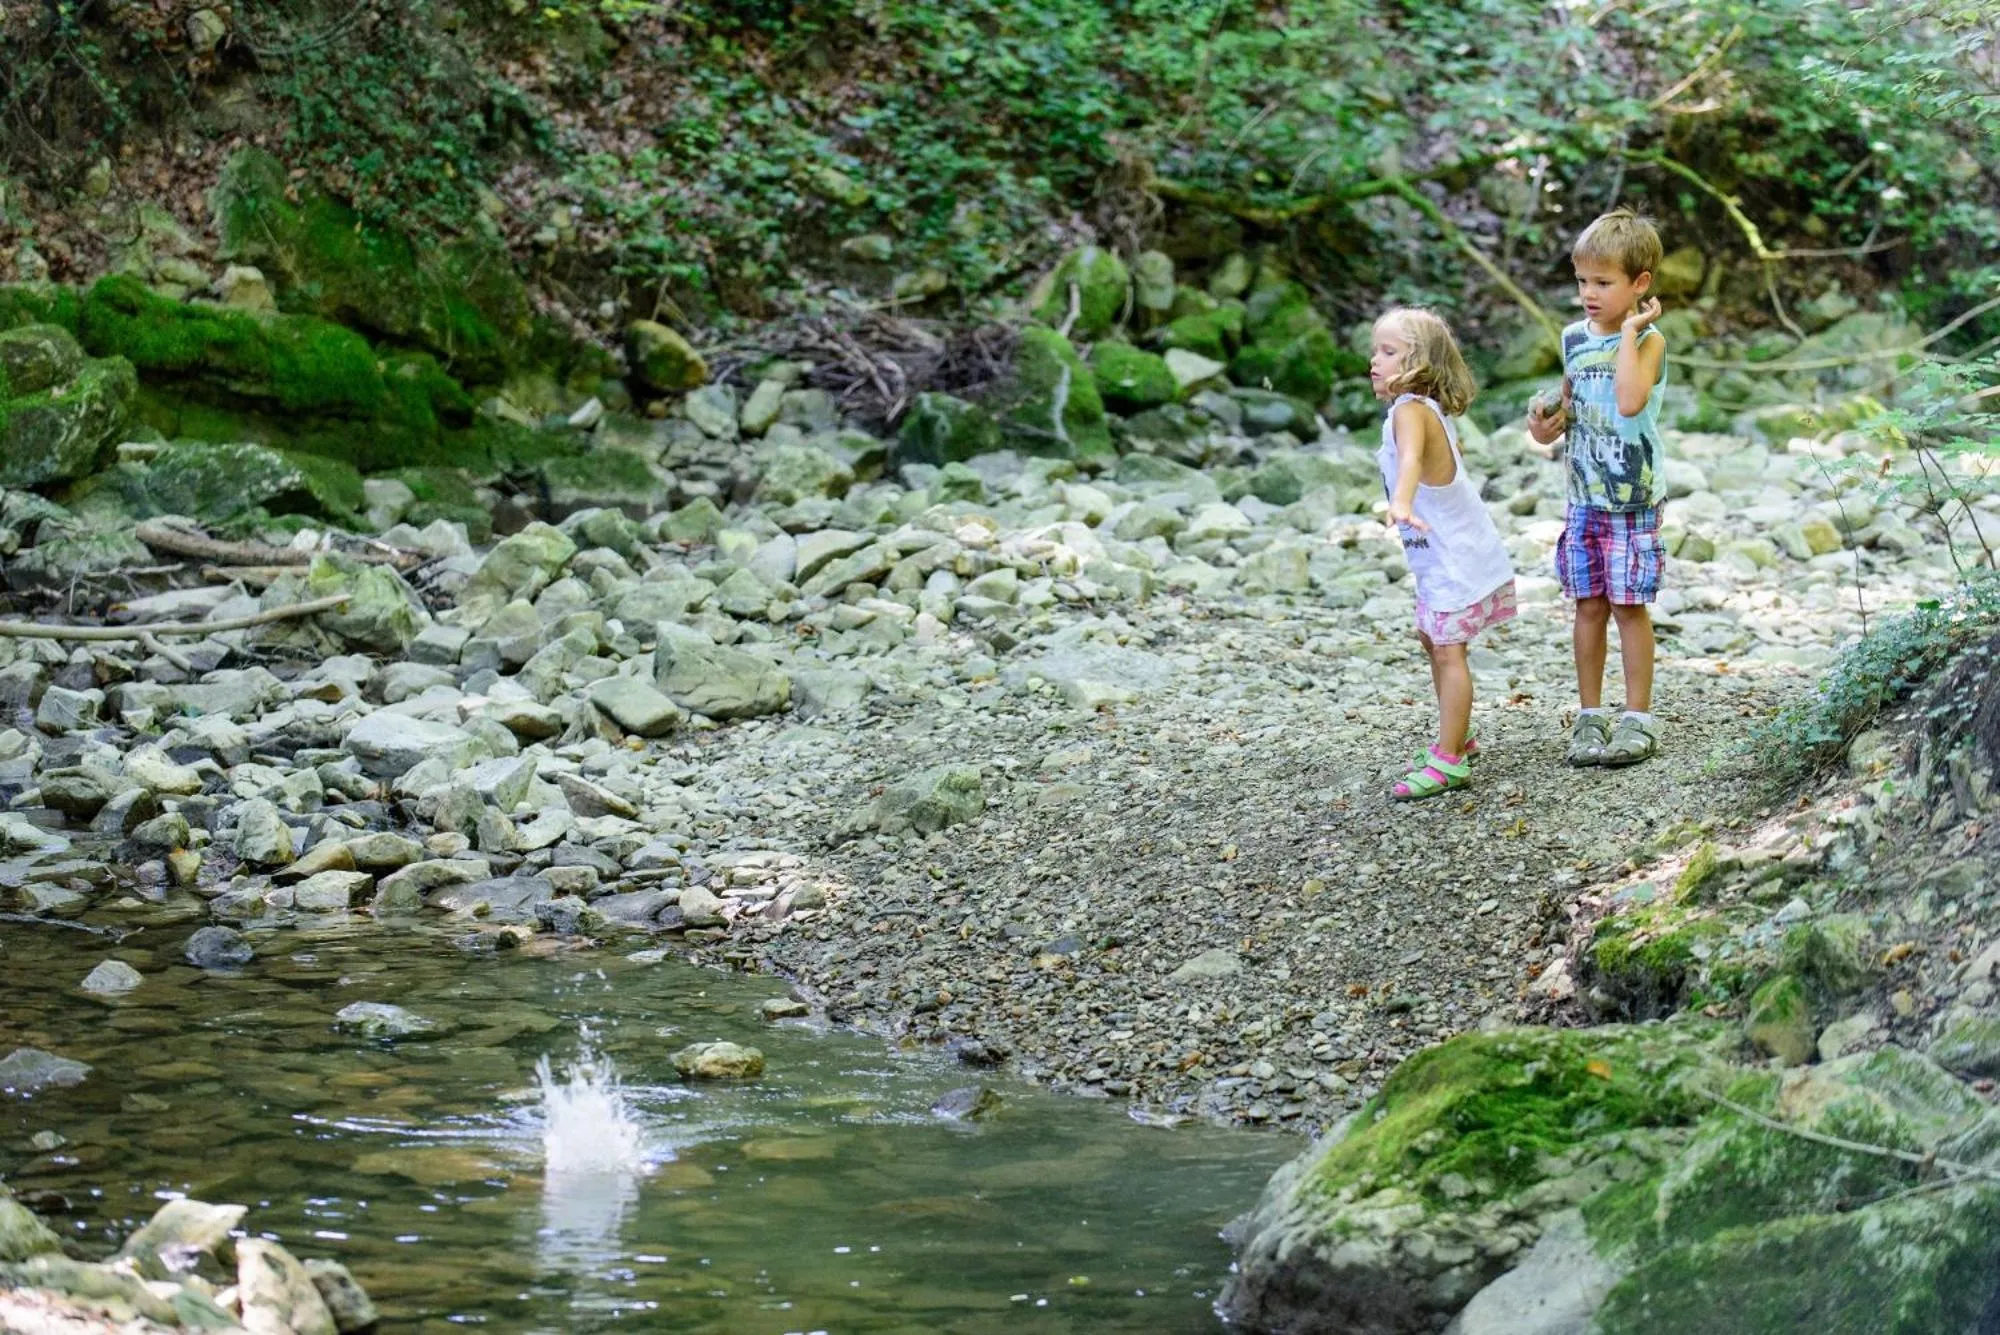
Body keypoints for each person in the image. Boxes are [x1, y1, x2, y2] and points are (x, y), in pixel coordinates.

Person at [1528, 208, 1669, 767]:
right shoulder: (1573, 338)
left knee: (1628, 606)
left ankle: (1638, 717)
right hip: (1584, 495)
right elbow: (1567, 406)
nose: (1589, 293)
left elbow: (1630, 401)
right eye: (1583, 280)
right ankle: (1590, 715)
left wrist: (1629, 332)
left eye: (1604, 283)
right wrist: (1544, 424)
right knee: (1588, 605)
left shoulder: (1649, 341)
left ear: (1639, 284)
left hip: (1633, 499)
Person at [1371, 307, 1518, 802]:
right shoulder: (1421, 409)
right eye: (1375, 351)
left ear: (1418, 363)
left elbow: (1412, 458)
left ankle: (1451, 758)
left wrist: (1401, 502)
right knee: (1432, 639)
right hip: (1446, 555)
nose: (1374, 361)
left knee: (1448, 650)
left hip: (1455, 560)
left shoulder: (1411, 412)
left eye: (1388, 352)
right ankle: (1457, 734)